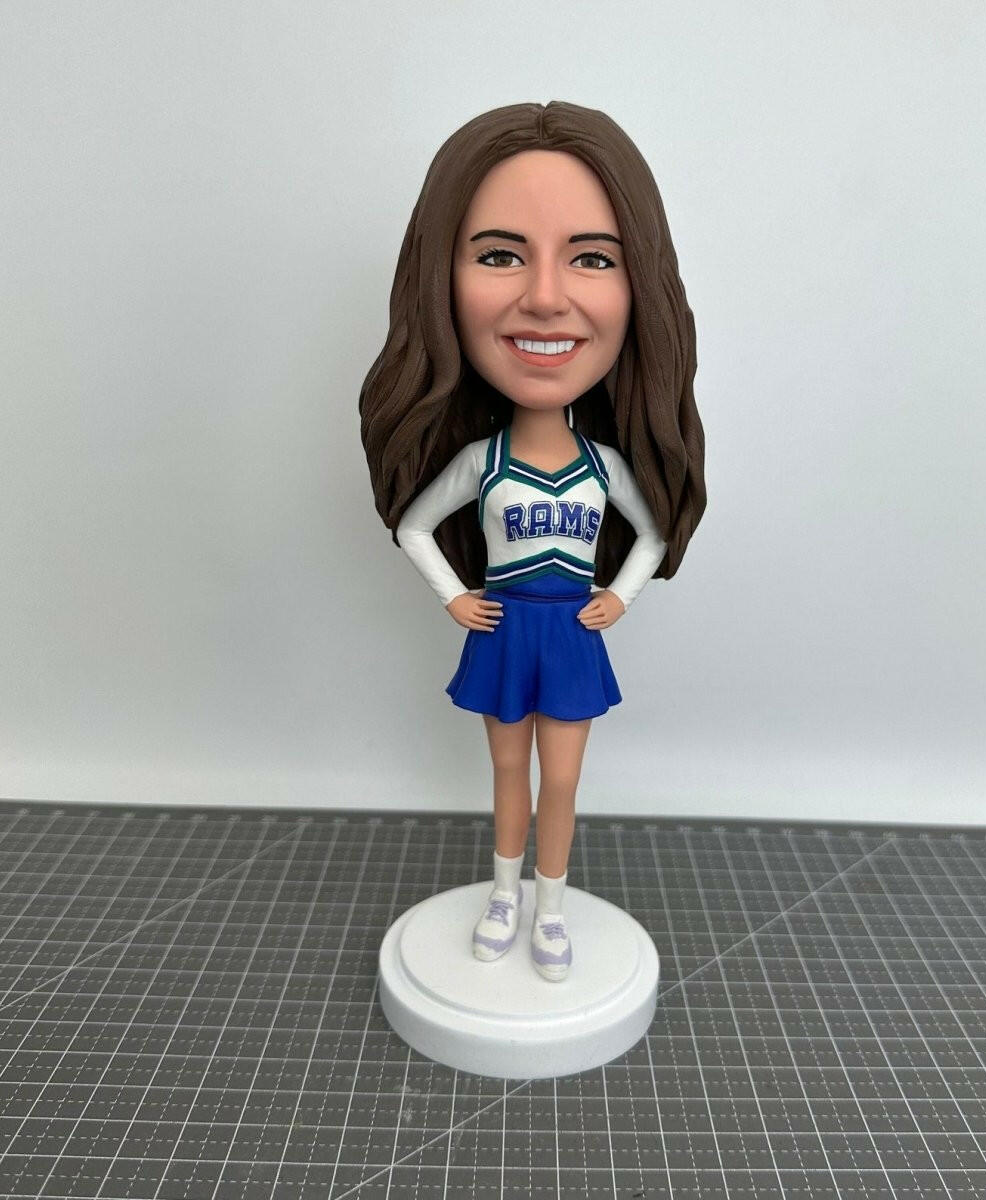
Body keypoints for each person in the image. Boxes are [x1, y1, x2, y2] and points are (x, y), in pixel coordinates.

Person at [359, 101, 705, 982]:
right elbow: (413, 524)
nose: (546, 297)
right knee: (507, 773)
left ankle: (551, 908)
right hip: (508, 626)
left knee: (564, 779)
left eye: (592, 258)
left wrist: (620, 594)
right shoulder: (483, 460)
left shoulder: (601, 465)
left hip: (572, 631)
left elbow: (652, 528)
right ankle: (504, 893)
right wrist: (455, 596)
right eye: (500, 255)